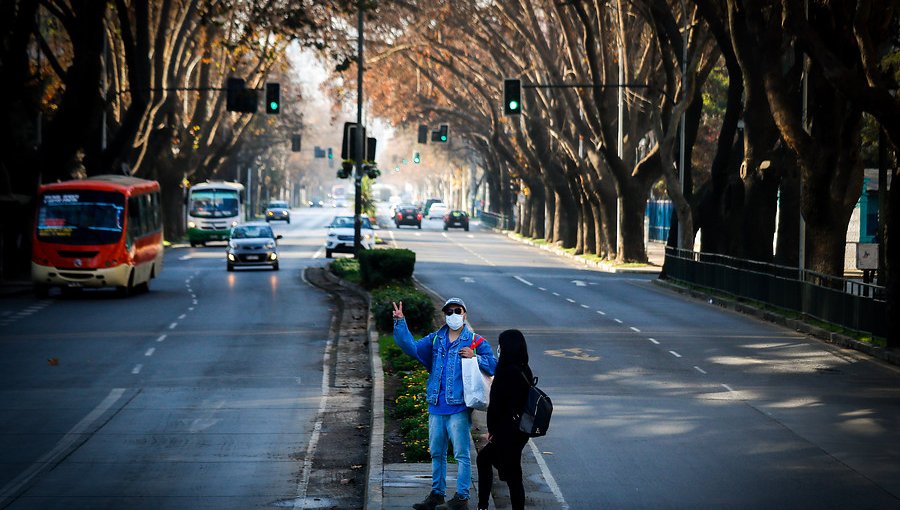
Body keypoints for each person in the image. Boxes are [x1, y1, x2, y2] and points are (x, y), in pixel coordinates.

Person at [392, 297, 497, 510]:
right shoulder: (435, 340)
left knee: (461, 454)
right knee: (437, 452)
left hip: (458, 407)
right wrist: (400, 322)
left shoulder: (475, 341)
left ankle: (461, 497)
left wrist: (474, 356)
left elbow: (494, 365)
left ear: (465, 314)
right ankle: (437, 494)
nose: (453, 315)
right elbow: (411, 348)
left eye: (457, 311)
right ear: (444, 315)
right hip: (436, 406)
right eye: (448, 312)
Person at [476, 329, 533, 510]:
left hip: (506, 431)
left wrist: (492, 430)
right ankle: (485, 504)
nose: (498, 348)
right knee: (509, 470)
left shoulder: (506, 371)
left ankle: (483, 505)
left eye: (500, 344)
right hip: (520, 430)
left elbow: (497, 405)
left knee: (506, 471)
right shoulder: (524, 368)